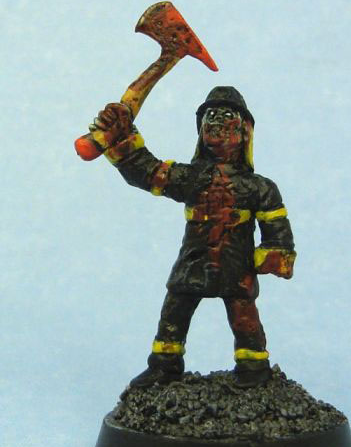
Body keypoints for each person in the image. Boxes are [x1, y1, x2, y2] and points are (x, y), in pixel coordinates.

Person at [94, 86, 296, 388]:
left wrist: (274, 253)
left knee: (244, 316)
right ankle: (165, 365)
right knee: (175, 309)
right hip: (194, 261)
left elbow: (276, 228)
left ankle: (254, 368)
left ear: (244, 131)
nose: (216, 121)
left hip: (236, 264)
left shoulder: (259, 187)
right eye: (210, 115)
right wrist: (122, 139)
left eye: (226, 115)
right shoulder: (190, 178)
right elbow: (147, 172)